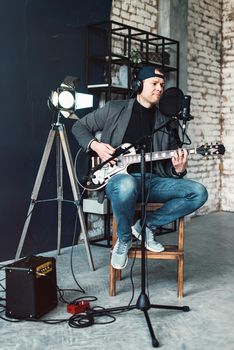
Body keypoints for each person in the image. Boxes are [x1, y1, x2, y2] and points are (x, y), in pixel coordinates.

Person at [72, 66, 208, 270]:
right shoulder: (114, 109)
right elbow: (79, 127)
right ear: (138, 85)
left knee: (198, 192)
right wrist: (97, 146)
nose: (159, 89)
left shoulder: (166, 122)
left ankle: (145, 226)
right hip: (118, 180)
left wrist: (179, 169)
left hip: (152, 181)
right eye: (154, 84)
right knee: (126, 184)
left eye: (162, 85)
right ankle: (125, 239)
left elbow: (168, 167)